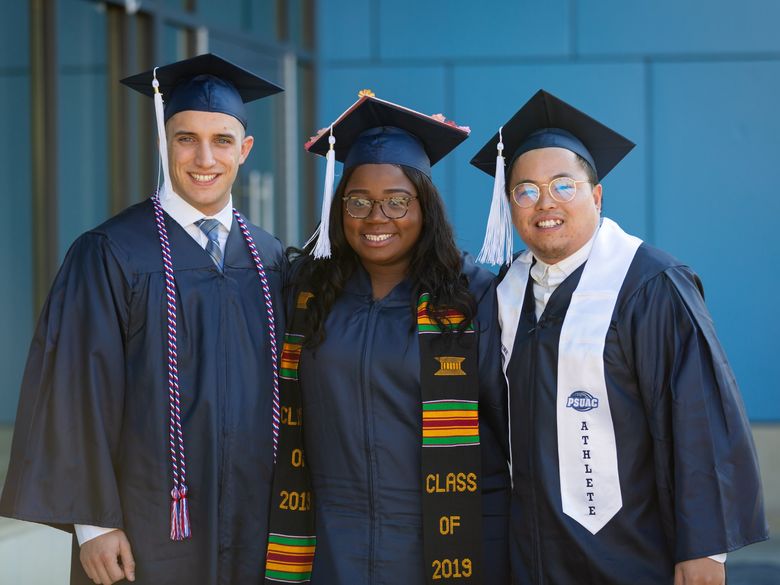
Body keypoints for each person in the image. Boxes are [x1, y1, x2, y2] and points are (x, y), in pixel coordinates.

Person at [0, 53, 287, 585]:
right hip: (145, 526)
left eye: (222, 140)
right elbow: (73, 390)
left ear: (244, 150)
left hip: (255, 523)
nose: (205, 157)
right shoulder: (110, 252)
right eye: (185, 138)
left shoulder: (269, 258)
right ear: (164, 143)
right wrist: (93, 526)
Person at [471, 89, 768, 585]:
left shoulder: (650, 284)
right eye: (525, 191)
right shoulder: (504, 293)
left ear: (597, 195)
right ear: (510, 205)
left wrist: (705, 552)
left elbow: (698, 419)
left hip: (631, 553)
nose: (544, 203)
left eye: (563, 186)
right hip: (533, 555)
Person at [263, 92, 510, 585]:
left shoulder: (472, 299)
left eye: (397, 201)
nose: (377, 217)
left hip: (437, 545)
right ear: (340, 208)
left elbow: (505, 432)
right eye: (359, 201)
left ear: (425, 207)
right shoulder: (303, 294)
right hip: (328, 547)